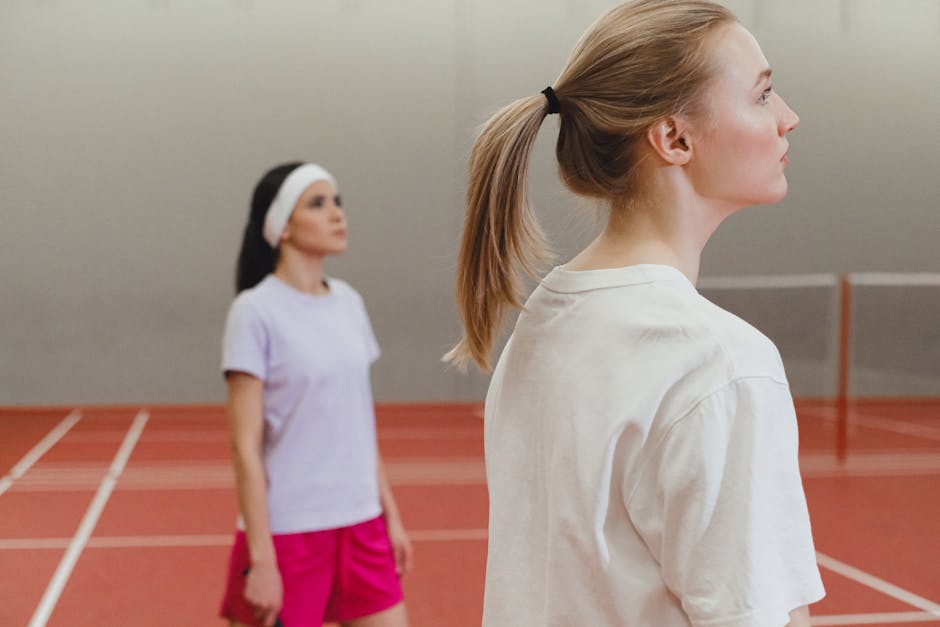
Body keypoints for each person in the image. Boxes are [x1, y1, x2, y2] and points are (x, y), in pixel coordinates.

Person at [446, 1, 825, 625]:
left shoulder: (544, 320)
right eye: (762, 96)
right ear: (674, 138)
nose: (788, 118)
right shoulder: (720, 361)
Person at [219, 162, 412, 627]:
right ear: (282, 225)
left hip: (361, 523)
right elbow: (244, 448)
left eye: (338, 202)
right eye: (318, 203)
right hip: (290, 531)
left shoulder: (349, 302)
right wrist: (262, 558)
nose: (337, 214)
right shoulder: (254, 312)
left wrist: (389, 513)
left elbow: (357, 423)